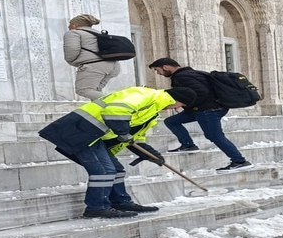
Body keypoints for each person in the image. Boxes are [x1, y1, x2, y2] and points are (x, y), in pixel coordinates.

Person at [38, 86, 193, 219]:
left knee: (117, 170)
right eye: (181, 105)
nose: (177, 108)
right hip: (80, 131)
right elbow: (115, 110)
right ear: (176, 99)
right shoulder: (146, 95)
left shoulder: (153, 110)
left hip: (94, 135)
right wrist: (122, 131)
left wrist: (151, 155)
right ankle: (96, 207)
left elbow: (136, 138)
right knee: (104, 171)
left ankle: (121, 202)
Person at [148, 58, 251, 171]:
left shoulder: (182, 76)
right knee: (171, 121)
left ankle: (239, 161)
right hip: (205, 109)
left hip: (208, 110)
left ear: (165, 67)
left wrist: (182, 102)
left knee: (214, 136)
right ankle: (188, 145)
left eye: (157, 70)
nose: (158, 73)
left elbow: (201, 92)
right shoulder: (191, 73)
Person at [63, 14, 119, 100]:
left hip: (94, 66)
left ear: (76, 25)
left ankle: (118, 103)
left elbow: (72, 49)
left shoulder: (74, 33)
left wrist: (72, 61)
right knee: (95, 91)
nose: (68, 26)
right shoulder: (98, 33)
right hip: (113, 66)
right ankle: (104, 112)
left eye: (70, 24)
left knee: (83, 90)